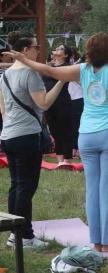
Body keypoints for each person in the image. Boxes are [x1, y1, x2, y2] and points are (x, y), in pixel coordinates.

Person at [4, 32, 108, 253]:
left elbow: (50, 70)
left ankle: (96, 242)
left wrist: (23, 59)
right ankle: (106, 242)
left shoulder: (81, 70)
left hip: (87, 135)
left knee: (92, 188)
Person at [0, 32, 64, 249]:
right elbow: (44, 103)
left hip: (8, 135)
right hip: (27, 136)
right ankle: (24, 236)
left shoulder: (5, 74)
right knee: (26, 187)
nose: (39, 50)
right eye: (36, 47)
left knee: (16, 186)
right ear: (25, 51)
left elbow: (3, 110)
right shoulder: (31, 73)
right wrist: (61, 82)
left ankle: (13, 234)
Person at [42, 44, 75, 166]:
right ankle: (59, 160)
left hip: (63, 102)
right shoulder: (49, 66)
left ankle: (67, 160)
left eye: (60, 48)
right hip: (50, 103)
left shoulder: (67, 67)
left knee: (65, 131)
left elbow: (57, 74)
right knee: (55, 132)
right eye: (56, 48)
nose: (57, 49)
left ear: (66, 54)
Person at [69, 48, 84, 159]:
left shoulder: (80, 67)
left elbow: (82, 82)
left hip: (79, 97)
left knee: (78, 124)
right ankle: (73, 148)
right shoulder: (68, 67)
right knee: (72, 124)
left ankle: (78, 149)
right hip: (70, 97)